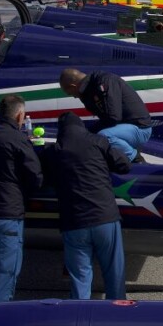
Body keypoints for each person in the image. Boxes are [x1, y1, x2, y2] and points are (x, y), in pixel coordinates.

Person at [42, 111, 131, 300]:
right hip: (104, 218)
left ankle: (81, 320)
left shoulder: (53, 151)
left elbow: (43, 179)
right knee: (114, 273)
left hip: (74, 222)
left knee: (80, 278)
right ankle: (117, 316)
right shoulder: (97, 141)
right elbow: (124, 165)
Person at [0, 94, 43, 303]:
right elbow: (35, 176)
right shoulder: (18, 139)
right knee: (4, 275)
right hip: (8, 215)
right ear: (20, 115)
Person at [58, 68, 152, 162]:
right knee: (94, 138)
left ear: (73, 86)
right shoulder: (90, 89)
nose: (74, 97)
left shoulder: (105, 82)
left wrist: (87, 134)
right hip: (125, 128)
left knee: (104, 136)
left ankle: (136, 159)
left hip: (140, 128)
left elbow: (113, 117)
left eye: (70, 93)